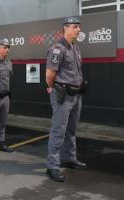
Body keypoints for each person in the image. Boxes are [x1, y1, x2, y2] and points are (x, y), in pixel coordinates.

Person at [45, 17, 87, 182]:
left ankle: (69, 159)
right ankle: (52, 166)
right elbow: (49, 75)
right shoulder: (57, 48)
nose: (78, 30)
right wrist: (56, 89)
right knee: (58, 130)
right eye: (75, 27)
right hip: (63, 96)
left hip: (76, 95)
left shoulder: (75, 48)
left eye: (79, 27)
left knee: (71, 130)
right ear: (66, 28)